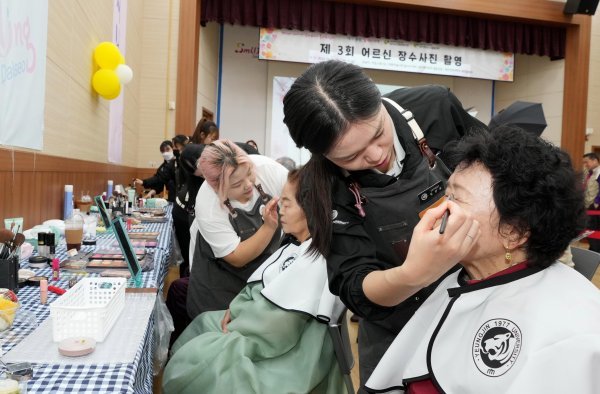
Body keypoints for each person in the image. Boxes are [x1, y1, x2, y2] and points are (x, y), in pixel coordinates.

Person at [282, 60, 486, 388]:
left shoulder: (434, 108)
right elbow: (355, 283)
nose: (377, 155)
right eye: (351, 157)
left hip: (478, 302)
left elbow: (497, 171)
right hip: (398, 327)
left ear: (379, 100)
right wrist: (413, 274)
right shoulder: (322, 189)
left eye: (379, 133)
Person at [365, 126, 600, 393]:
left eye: (455, 199)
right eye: (446, 194)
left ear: (513, 231)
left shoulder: (572, 329)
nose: (432, 213)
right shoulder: (461, 276)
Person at [162, 169, 346, 394]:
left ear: (312, 210)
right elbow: (262, 284)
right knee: (201, 324)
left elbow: (278, 327)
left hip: (285, 349)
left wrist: (239, 323)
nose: (280, 209)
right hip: (262, 324)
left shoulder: (317, 260)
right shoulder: (296, 244)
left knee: (199, 363)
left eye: (287, 204)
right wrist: (238, 306)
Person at [186, 139, 288, 319]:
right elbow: (237, 257)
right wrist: (269, 227)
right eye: (236, 184)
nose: (248, 184)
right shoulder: (208, 204)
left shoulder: (269, 170)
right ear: (217, 188)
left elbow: (304, 204)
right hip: (218, 286)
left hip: (261, 279)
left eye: (249, 174)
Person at [582, 152, 600, 252]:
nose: (585, 165)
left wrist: (596, 204)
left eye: (586, 162)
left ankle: (595, 250)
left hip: (595, 208)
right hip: (588, 206)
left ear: (595, 160)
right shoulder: (590, 173)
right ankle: (594, 249)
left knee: (592, 229)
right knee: (590, 230)